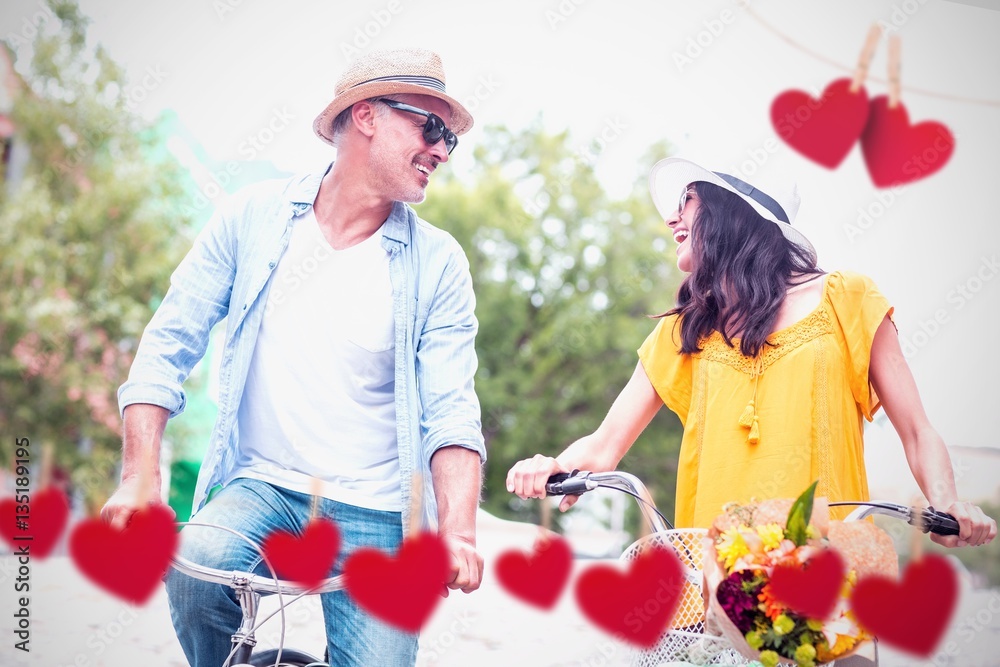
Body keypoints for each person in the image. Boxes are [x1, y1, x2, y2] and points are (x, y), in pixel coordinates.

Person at [100, 48, 486, 666]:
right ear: (367, 115)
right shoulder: (252, 219)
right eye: (431, 128)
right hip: (263, 486)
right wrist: (138, 478)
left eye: (450, 141)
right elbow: (167, 344)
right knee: (196, 565)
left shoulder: (437, 263)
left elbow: (451, 411)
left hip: (379, 511)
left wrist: (459, 532)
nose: (442, 150)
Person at [507, 157, 996, 548]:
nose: (670, 216)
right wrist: (552, 463)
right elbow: (604, 444)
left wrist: (949, 502)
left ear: (730, 211)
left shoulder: (849, 299)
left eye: (688, 199)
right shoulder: (685, 331)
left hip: (828, 575)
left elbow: (915, 430)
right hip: (716, 578)